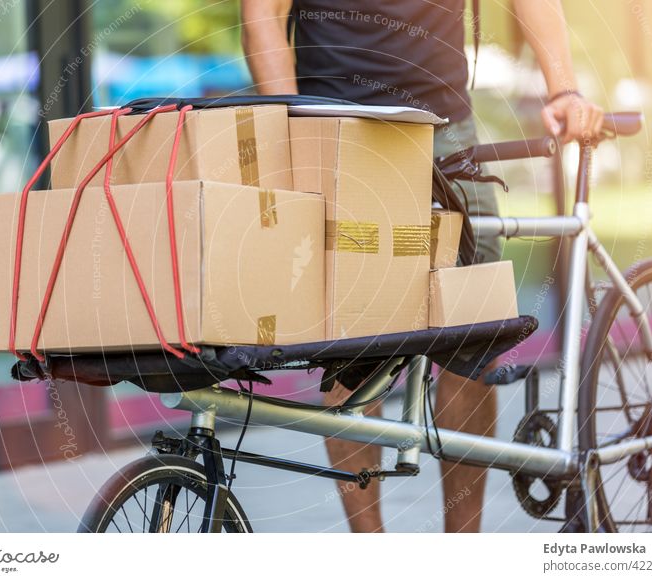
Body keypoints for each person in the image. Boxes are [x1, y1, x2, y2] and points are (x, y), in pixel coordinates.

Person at [241, 0, 604, 533]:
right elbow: (261, 15)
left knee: (471, 344)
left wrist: (564, 89)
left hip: (446, 133)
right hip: (337, 135)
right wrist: (294, 133)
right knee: (350, 353)